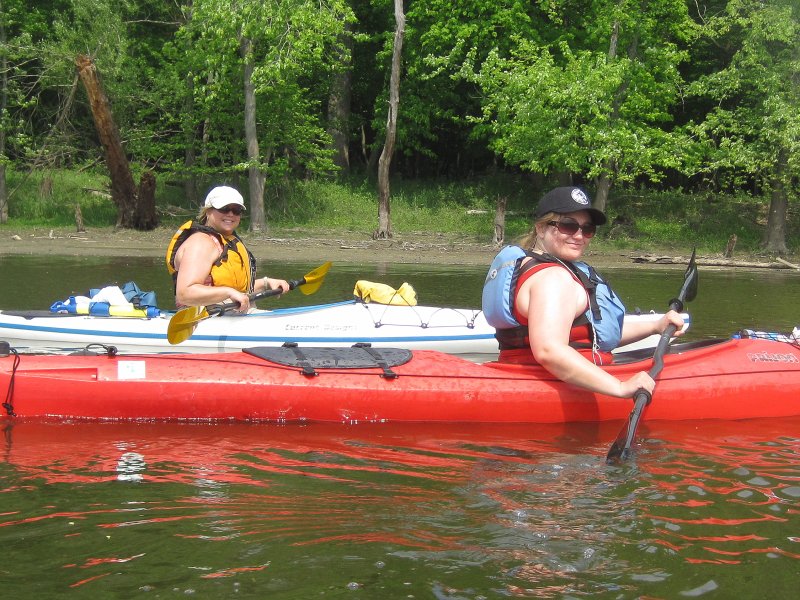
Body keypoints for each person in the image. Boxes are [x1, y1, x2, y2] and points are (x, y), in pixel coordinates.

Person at [482, 186, 684, 399]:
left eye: (587, 229)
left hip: (529, 375)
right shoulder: (553, 278)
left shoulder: (535, 268)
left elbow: (592, 334)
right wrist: (620, 387)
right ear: (541, 228)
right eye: (568, 226)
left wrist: (654, 326)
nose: (579, 236)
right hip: (556, 388)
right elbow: (549, 351)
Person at [166, 185, 289, 310]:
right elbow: (185, 293)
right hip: (204, 319)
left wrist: (266, 283)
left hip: (233, 316)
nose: (231, 214)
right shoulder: (201, 243)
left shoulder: (226, 241)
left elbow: (236, 290)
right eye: (224, 209)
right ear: (208, 211)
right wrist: (228, 292)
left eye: (236, 210)